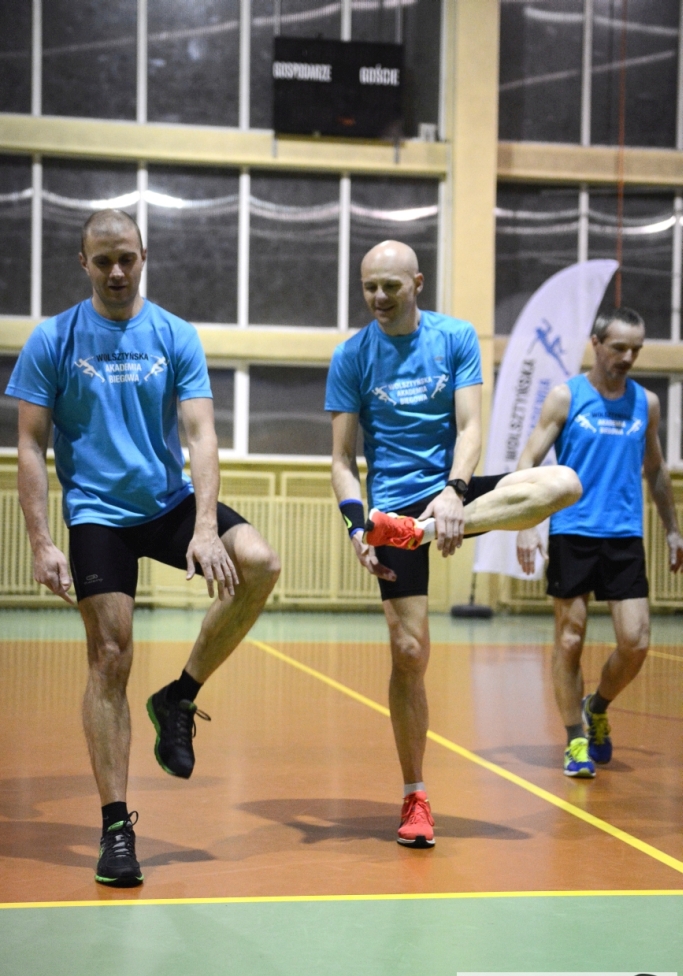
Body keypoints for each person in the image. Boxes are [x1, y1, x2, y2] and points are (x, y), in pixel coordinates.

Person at [6, 209, 280, 887]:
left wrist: (206, 526)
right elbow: (31, 445)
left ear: (144, 255)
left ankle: (179, 697)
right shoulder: (53, 339)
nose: (116, 272)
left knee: (259, 563)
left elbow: (201, 435)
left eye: (126, 258)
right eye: (103, 261)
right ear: (84, 263)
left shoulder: (174, 334)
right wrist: (42, 541)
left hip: (167, 501)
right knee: (110, 654)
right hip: (98, 514)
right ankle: (116, 829)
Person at [325, 239, 581, 849]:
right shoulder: (352, 356)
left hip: (452, 495)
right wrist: (358, 527)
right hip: (390, 507)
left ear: (417, 283)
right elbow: (341, 460)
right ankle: (415, 795)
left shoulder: (456, 337)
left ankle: (423, 529)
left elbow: (470, 428)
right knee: (409, 652)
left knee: (564, 482)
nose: (379, 297)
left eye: (391, 286)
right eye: (369, 287)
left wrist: (453, 494)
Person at [516, 306, 683, 779]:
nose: (627, 357)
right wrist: (528, 522)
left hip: (624, 535)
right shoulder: (566, 397)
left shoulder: (646, 403)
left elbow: (656, 470)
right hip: (572, 531)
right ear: (596, 344)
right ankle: (575, 739)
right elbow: (528, 459)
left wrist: (672, 528)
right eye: (619, 347)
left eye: (636, 350)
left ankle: (598, 706)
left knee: (636, 642)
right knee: (570, 639)